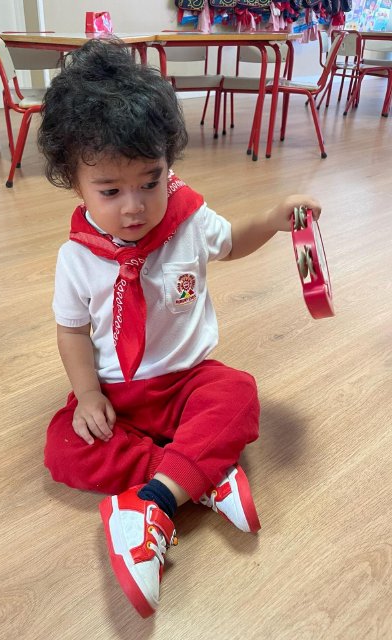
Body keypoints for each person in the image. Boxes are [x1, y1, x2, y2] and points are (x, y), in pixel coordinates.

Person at [38, 38, 321, 618]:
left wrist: (272, 220)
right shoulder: (77, 258)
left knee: (238, 393)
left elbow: (232, 243)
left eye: (151, 180)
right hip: (120, 393)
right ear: (73, 182)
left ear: (170, 163)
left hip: (189, 381)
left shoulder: (189, 220)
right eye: (110, 191)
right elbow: (72, 333)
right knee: (65, 448)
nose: (135, 206)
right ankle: (201, 475)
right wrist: (88, 395)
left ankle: (153, 501)